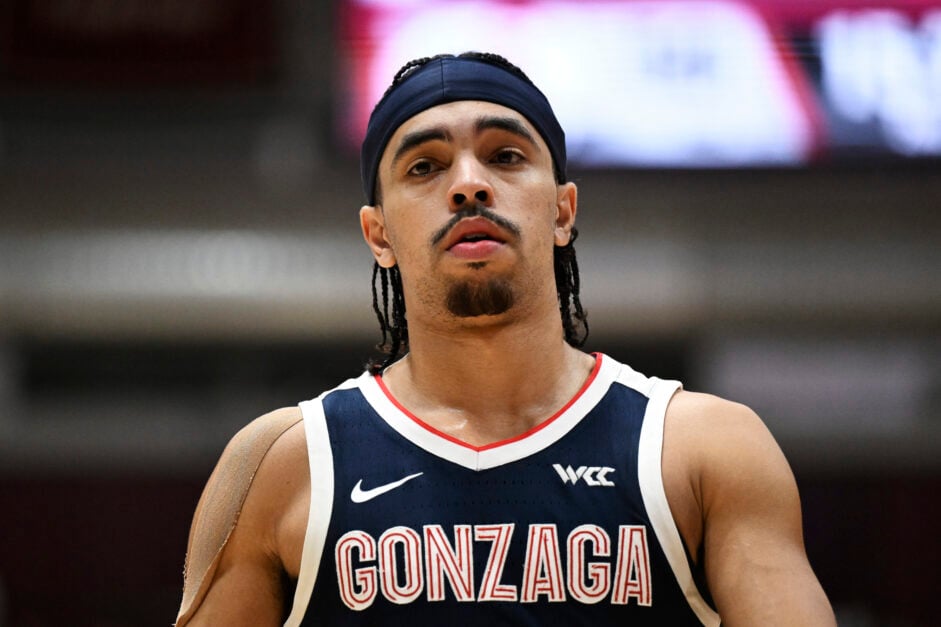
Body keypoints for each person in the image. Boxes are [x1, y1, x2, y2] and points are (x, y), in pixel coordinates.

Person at [175, 52, 835, 626]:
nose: (468, 183)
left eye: (505, 155)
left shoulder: (704, 449)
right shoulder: (283, 464)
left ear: (562, 211)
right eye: (425, 166)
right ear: (378, 235)